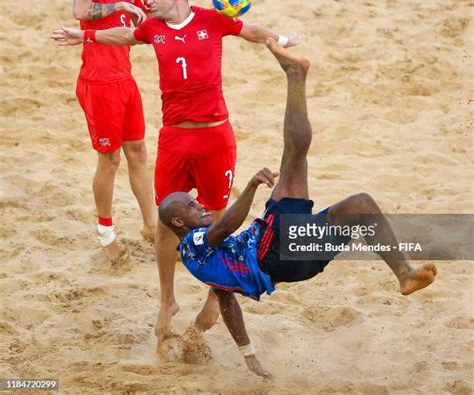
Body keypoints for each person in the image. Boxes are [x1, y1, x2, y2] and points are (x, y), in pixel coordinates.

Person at [157, 38, 438, 378]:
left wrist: (249, 356)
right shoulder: (193, 246)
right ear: (177, 221)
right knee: (294, 156)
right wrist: (249, 187)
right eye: (191, 206)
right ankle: (295, 74)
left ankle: (404, 274)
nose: (199, 204)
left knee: (355, 200)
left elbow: (228, 302)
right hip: (274, 250)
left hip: (289, 254)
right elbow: (225, 227)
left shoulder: (207, 260)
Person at [52, 0, 302, 337]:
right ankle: (167, 298)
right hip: (173, 139)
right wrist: (85, 36)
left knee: (219, 220)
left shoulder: (211, 19)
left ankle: (216, 297)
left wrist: (280, 38)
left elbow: (250, 30)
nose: (147, 0)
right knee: (168, 221)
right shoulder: (153, 28)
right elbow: (125, 35)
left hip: (215, 138)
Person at [72, 0, 156, 263]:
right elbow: (80, 9)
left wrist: (146, 3)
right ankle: (106, 232)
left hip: (125, 80)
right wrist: (119, 3)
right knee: (110, 159)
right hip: (99, 82)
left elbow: (145, 31)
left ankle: (150, 224)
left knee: (138, 151)